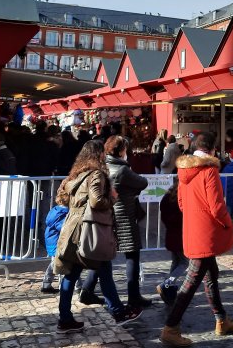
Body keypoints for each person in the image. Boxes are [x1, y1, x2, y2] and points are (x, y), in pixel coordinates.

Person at [159, 132, 233, 347]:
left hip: (193, 229)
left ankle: (221, 319)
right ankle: (170, 327)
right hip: (207, 232)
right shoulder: (209, 170)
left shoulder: (185, 169)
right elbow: (217, 206)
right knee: (192, 280)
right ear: (212, 150)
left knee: (210, 274)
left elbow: (182, 204)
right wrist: (227, 225)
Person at [53, 140, 141, 332]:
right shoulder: (96, 174)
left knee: (72, 274)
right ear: (99, 155)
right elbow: (97, 200)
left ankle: (65, 318)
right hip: (89, 229)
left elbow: (62, 197)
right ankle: (118, 312)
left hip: (73, 228)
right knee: (103, 268)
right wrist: (113, 198)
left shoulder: (76, 174)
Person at [79, 136, 152, 308]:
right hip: (124, 214)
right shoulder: (122, 170)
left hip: (108, 215)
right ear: (120, 151)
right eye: (125, 149)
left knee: (102, 255)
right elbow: (143, 182)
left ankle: (87, 289)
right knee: (132, 254)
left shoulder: (103, 167)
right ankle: (133, 296)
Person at [157, 178, 187, 306]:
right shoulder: (182, 197)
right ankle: (166, 284)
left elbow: (163, 214)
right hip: (180, 235)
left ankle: (170, 290)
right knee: (185, 263)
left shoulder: (167, 196)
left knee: (176, 261)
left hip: (171, 234)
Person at [41, 186, 69, 294]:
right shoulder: (63, 214)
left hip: (52, 242)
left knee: (57, 264)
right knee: (59, 265)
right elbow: (63, 228)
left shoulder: (55, 210)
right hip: (58, 243)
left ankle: (47, 284)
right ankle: (63, 286)